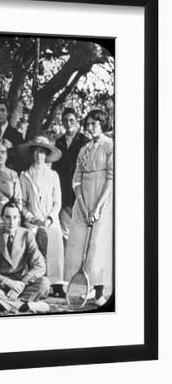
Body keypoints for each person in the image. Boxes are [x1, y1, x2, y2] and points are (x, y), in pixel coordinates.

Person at [64, 110, 114, 307]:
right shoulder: (84, 148)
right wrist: (83, 205)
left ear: (103, 124)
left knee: (98, 245)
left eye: (95, 123)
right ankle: (81, 290)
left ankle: (100, 292)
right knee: (78, 244)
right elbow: (76, 179)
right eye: (89, 123)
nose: (90, 127)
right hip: (83, 201)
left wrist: (98, 207)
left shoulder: (110, 146)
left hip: (103, 200)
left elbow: (111, 178)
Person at [0, 201, 50, 313]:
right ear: (2, 218)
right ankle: (23, 305)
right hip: (0, 285)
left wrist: (22, 284)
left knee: (44, 283)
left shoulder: (27, 235)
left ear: (19, 218)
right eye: (7, 217)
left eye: (15, 217)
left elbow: (40, 265)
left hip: (21, 284)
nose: (11, 222)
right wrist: (8, 282)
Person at [16, 136, 65, 298]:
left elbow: (57, 201)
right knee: (31, 246)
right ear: (32, 153)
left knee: (55, 245)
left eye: (43, 151)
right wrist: (30, 217)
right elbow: (21, 202)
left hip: (50, 220)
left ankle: (56, 284)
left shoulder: (53, 175)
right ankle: (34, 281)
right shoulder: (24, 175)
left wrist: (50, 218)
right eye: (36, 150)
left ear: (47, 154)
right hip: (32, 220)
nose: (39, 155)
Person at [53, 108, 90, 244]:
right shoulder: (59, 142)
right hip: (63, 190)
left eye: (71, 120)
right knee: (65, 231)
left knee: (80, 232)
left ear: (77, 121)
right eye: (65, 121)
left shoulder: (85, 141)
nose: (68, 123)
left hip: (79, 190)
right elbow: (56, 168)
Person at [0, 99, 24, 171]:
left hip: (7, 174)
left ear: (8, 113)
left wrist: (12, 147)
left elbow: (21, 159)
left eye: (2, 110)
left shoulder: (17, 135)